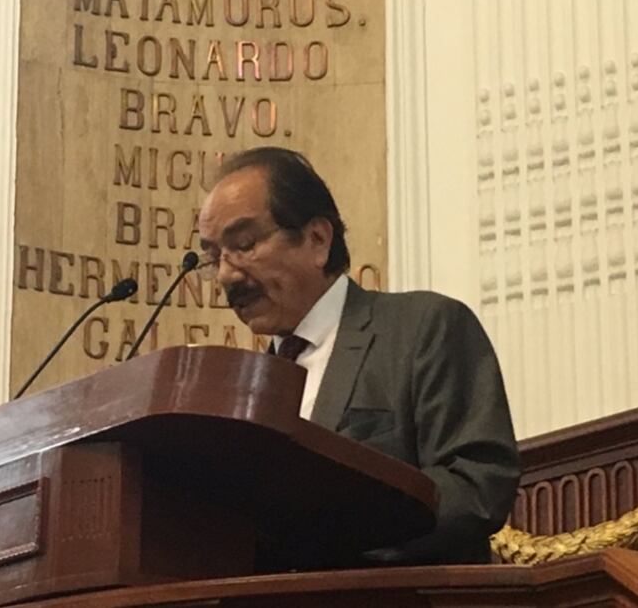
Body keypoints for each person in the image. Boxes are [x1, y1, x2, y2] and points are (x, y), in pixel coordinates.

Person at [197, 146, 520, 565]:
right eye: (211, 256)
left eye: (243, 244)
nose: (226, 274)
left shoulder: (423, 328)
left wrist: (330, 540)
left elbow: (478, 484)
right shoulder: (248, 389)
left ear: (317, 239)